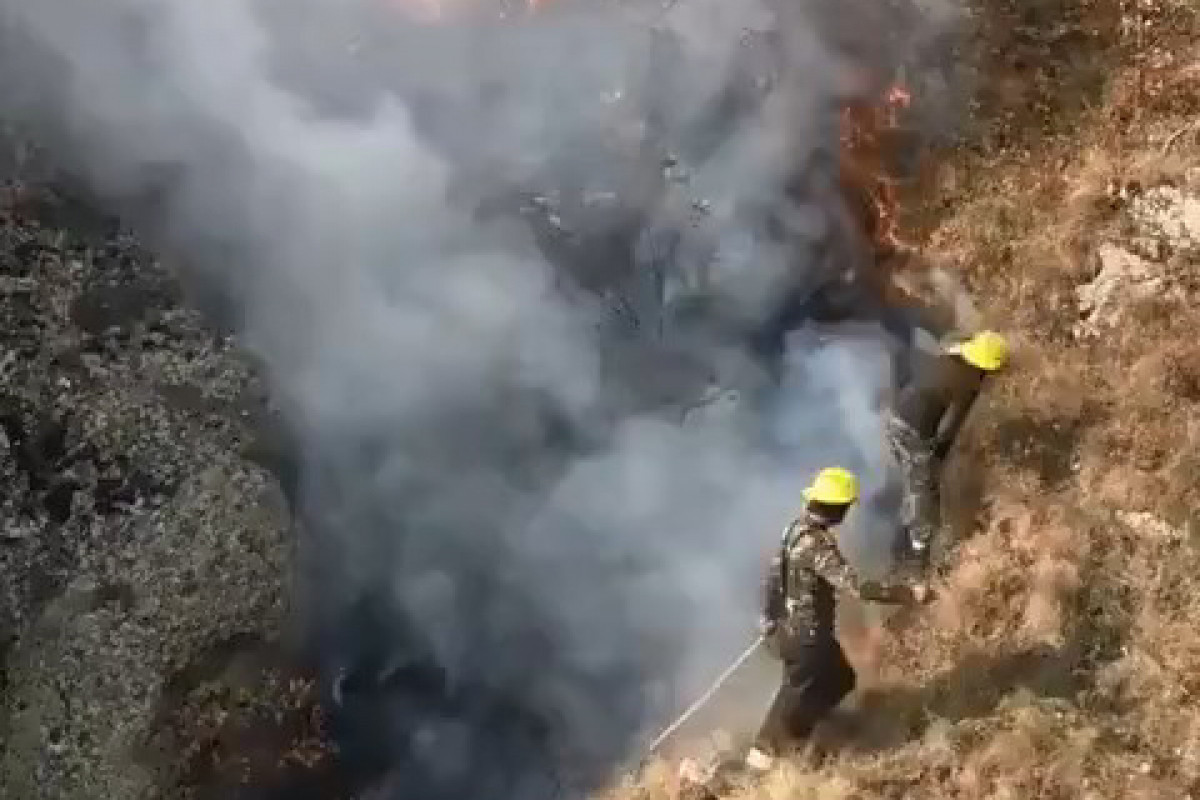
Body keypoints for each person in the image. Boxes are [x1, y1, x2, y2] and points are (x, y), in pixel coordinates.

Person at [886, 330, 1010, 565]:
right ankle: (916, 562)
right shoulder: (969, 385)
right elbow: (949, 429)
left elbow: (949, 338)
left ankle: (903, 531)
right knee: (925, 498)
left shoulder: (954, 349)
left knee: (913, 483)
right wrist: (937, 457)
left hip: (895, 416)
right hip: (913, 435)